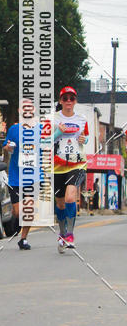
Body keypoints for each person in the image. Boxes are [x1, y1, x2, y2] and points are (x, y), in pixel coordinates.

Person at [53, 86, 89, 252]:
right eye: (65, 98)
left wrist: (84, 139)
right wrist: (57, 133)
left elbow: (86, 138)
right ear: (60, 101)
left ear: (75, 101)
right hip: (56, 165)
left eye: (71, 98)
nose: (68, 101)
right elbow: (44, 141)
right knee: (60, 203)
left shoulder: (82, 119)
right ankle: (62, 233)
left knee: (70, 197)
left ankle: (70, 235)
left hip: (77, 163)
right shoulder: (53, 119)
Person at [2, 101, 40, 250]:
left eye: (30, 107)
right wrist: (9, 147)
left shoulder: (40, 129)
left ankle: (23, 239)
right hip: (15, 177)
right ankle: (16, 222)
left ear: (34, 109)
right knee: (19, 212)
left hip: (33, 176)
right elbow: (6, 146)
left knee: (29, 209)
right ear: (19, 110)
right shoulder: (14, 129)